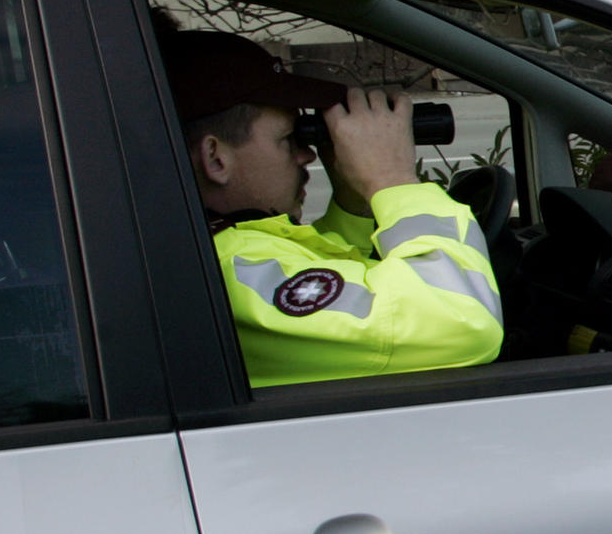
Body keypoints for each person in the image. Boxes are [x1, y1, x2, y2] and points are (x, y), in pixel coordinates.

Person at [163, 29, 503, 386]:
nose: (307, 153)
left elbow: (323, 280)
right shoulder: (233, 276)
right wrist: (391, 179)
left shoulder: (213, 250)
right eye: (287, 138)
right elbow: (460, 323)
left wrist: (353, 204)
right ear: (216, 158)